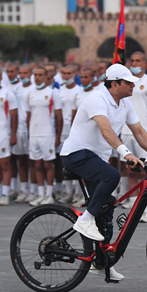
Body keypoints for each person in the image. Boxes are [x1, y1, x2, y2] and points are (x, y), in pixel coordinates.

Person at [61, 64, 147, 281]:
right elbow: (106, 130)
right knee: (112, 176)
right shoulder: (96, 99)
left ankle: (100, 261)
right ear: (114, 83)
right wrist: (127, 154)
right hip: (76, 154)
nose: (133, 85)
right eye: (128, 82)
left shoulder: (125, 102)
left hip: (96, 158)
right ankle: (85, 219)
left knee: (107, 205)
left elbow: (139, 131)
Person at [120, 52, 147, 223]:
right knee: (131, 171)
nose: (135, 63)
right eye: (133, 60)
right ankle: (133, 209)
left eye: (138, 61)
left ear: (145, 63)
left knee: (146, 171)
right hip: (126, 132)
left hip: (144, 132)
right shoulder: (125, 83)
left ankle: (145, 209)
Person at [25, 67, 62, 206]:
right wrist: (30, 133)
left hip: (48, 134)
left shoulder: (53, 93)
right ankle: (40, 194)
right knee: (37, 164)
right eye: (35, 75)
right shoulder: (30, 94)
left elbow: (59, 117)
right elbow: (28, 115)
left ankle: (49, 194)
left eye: (40, 75)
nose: (37, 77)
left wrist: (57, 136)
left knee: (48, 164)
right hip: (34, 135)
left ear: (47, 77)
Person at [0, 67, 18, 205]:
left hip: (3, 133)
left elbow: (14, 116)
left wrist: (13, 134)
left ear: (1, 78)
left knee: (5, 164)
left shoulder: (8, 94)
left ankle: (4, 193)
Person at [57, 66, 82, 204]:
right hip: (63, 130)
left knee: (77, 161)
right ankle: (68, 192)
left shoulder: (78, 91)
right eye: (64, 73)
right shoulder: (59, 90)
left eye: (69, 73)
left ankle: (79, 193)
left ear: (74, 74)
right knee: (64, 161)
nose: (66, 76)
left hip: (75, 129)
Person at [13, 64, 35, 203]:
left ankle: (33, 191)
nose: (22, 76)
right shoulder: (16, 89)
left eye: (25, 73)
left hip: (32, 129)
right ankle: (24, 189)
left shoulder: (34, 89)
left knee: (32, 161)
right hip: (19, 129)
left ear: (30, 73)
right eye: (20, 73)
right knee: (20, 160)